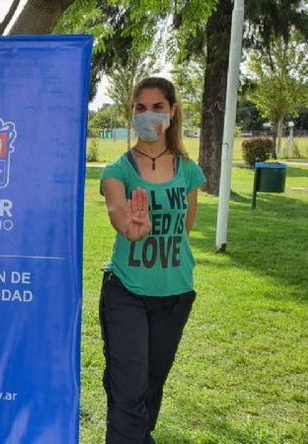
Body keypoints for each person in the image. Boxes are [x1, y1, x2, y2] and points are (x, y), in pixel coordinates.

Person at [99, 76, 206, 444]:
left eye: (157, 107)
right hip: (127, 292)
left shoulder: (188, 171)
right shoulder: (117, 170)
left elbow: (185, 228)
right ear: (131, 113)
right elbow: (117, 210)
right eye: (140, 108)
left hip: (175, 293)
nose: (149, 115)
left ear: (172, 111)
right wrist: (130, 228)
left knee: (150, 386)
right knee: (127, 387)